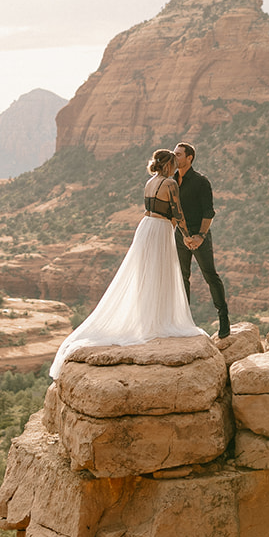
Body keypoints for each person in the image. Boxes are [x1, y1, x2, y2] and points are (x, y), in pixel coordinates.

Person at [48, 149, 206, 379]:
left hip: (146, 227)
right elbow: (178, 213)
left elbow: (149, 209)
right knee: (161, 273)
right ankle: (158, 321)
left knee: (145, 273)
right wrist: (186, 235)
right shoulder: (170, 184)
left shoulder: (150, 182)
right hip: (161, 229)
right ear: (168, 165)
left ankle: (149, 319)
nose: (174, 167)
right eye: (173, 163)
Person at [172, 142, 230, 340]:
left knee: (210, 275)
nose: (175, 157)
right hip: (180, 236)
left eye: (178, 154)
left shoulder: (200, 181)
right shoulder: (171, 180)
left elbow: (209, 211)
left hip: (200, 235)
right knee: (182, 278)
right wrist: (182, 234)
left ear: (189, 158)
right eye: (174, 154)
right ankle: (184, 322)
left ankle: (224, 319)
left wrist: (200, 236)